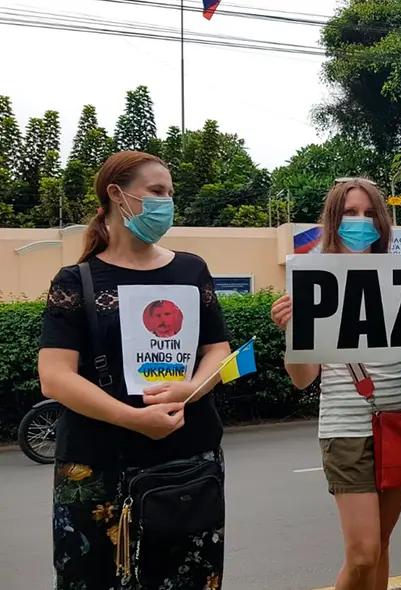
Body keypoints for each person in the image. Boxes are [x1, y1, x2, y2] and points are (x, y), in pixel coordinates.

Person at [38, 151, 232, 589]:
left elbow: (219, 352)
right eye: (156, 192)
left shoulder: (191, 270)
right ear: (117, 196)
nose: (167, 203)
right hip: (97, 467)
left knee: (187, 578)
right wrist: (133, 419)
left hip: (188, 461)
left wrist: (190, 391)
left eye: (170, 193)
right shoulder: (76, 281)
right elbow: (55, 375)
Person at [270, 178, 401, 590]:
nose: (360, 222)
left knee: (380, 544)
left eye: (368, 214)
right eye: (350, 213)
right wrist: (291, 333)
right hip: (346, 428)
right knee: (362, 554)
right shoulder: (311, 279)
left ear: (381, 222)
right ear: (332, 219)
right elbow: (303, 378)